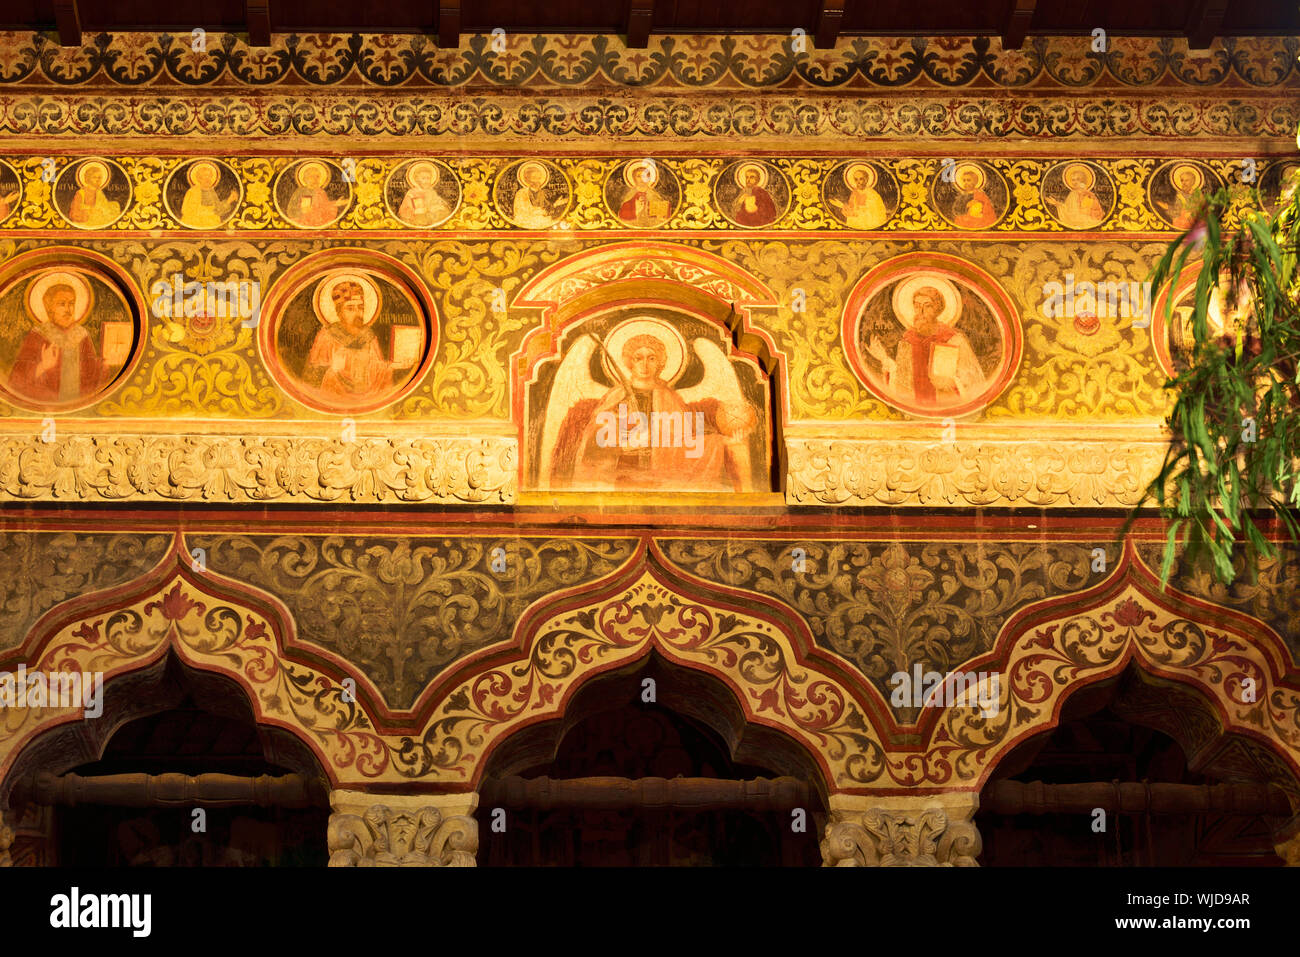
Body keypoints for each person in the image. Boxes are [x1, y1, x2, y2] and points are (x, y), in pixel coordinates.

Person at [551, 333, 755, 490]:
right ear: (629, 361)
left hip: (662, 472)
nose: (644, 364)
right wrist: (619, 431)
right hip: (619, 473)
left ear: (660, 363)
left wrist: (722, 442)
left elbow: (684, 442)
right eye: (638, 358)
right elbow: (593, 439)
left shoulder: (669, 397)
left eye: (651, 358)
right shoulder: (615, 397)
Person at [868, 284, 986, 407]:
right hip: (914, 409)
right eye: (917, 306)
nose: (921, 311)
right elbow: (901, 385)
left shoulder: (953, 340)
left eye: (928, 306)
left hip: (945, 408)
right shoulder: (907, 341)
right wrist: (885, 360)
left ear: (938, 309)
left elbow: (974, 383)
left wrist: (953, 382)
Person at [302, 277, 411, 403]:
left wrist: (392, 366)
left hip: (368, 397)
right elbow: (311, 376)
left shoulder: (368, 336)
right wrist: (332, 368)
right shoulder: (328, 335)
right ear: (339, 312)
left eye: (361, 307)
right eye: (350, 308)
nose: (358, 313)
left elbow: (376, 367)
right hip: (334, 396)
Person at [9, 276, 107, 404]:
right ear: (50, 309)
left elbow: (91, 371)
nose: (68, 310)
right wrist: (42, 366)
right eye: (62, 304)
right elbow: (16, 378)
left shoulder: (82, 334)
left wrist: (103, 365)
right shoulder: (38, 335)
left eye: (71, 303)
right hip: (48, 403)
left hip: (78, 404)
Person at [286, 162, 348, 228]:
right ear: (305, 179)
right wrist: (302, 211)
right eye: (311, 176)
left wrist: (336, 203)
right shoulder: (300, 191)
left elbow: (324, 206)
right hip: (302, 222)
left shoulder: (321, 192)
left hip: (319, 222)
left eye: (317, 176)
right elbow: (290, 211)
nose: (315, 179)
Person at [179, 161, 237, 228]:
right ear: (199, 178)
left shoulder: (211, 192)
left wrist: (229, 200)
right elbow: (185, 210)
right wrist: (205, 212)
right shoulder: (192, 192)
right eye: (205, 176)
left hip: (212, 222)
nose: (208, 179)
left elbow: (218, 210)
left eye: (210, 176)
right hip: (195, 222)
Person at [1048, 163, 1105, 229]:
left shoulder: (1089, 195)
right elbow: (1069, 210)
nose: (1075, 182)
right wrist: (1057, 204)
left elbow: (1096, 211)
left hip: (1087, 220)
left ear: (1083, 180)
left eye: (1078, 179)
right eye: (1073, 180)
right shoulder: (1072, 194)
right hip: (1078, 220)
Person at [830, 163, 887, 229]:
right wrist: (845, 207)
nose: (858, 182)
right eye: (856, 179)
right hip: (855, 221)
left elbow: (877, 212)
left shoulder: (872, 194)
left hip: (869, 221)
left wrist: (859, 212)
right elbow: (852, 207)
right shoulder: (854, 193)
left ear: (866, 179)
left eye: (861, 179)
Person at [67, 161, 121, 227]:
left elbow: (103, 206)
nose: (98, 180)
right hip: (86, 218)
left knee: (115, 205)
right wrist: (89, 210)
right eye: (94, 177)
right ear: (88, 178)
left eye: (99, 178)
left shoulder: (99, 192)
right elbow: (74, 213)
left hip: (97, 216)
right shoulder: (81, 193)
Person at [397, 162, 451, 227]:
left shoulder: (432, 192)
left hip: (430, 219)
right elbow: (403, 212)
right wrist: (415, 211)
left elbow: (439, 203)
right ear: (417, 179)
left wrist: (439, 208)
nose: (426, 181)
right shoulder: (412, 193)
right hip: (417, 220)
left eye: (428, 178)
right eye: (423, 178)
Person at [617, 160, 670, 226]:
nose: (642, 179)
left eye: (645, 176)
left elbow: (663, 218)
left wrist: (660, 216)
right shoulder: (628, 199)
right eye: (638, 176)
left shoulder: (655, 196)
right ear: (633, 178)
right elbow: (622, 217)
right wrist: (636, 211)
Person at [512, 162, 560, 228]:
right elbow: (521, 212)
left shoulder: (542, 193)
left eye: (539, 178)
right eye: (534, 177)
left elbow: (548, 208)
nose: (537, 180)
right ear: (527, 179)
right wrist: (540, 211)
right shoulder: (521, 193)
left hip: (540, 219)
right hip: (525, 221)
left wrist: (556, 204)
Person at [1159, 165, 1203, 230]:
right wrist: (1167, 207)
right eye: (1182, 180)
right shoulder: (1179, 195)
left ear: (1192, 182)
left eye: (1186, 180)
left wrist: (1192, 213)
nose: (1184, 183)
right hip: (1180, 223)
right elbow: (1177, 210)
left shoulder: (1198, 194)